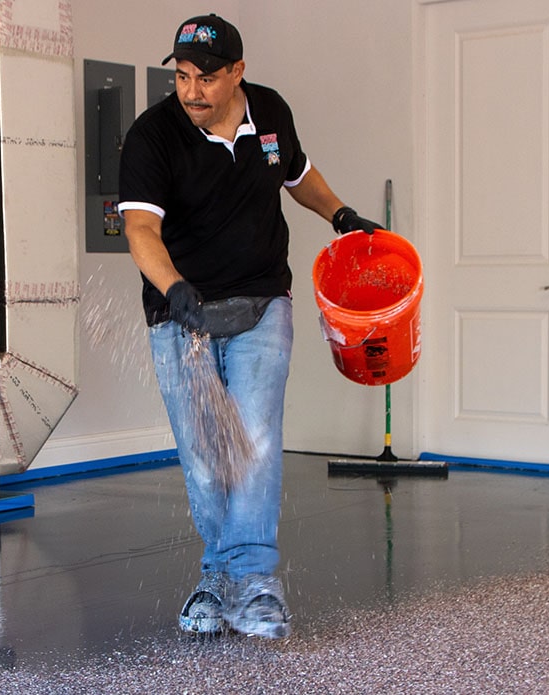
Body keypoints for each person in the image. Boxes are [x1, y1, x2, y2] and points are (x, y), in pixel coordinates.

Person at [117, 13, 381, 640]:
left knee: (254, 441)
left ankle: (254, 580)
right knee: (207, 454)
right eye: (182, 76)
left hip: (262, 302)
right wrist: (174, 287)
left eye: (206, 78)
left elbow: (298, 176)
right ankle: (218, 575)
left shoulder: (270, 112)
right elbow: (141, 228)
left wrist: (341, 215)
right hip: (181, 314)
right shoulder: (153, 135)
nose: (192, 91)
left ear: (238, 72)